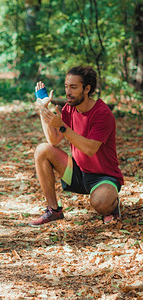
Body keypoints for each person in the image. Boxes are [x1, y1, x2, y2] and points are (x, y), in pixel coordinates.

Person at [30, 66, 124, 226]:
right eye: (66, 86)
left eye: (73, 87)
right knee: (42, 150)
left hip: (104, 177)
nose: (68, 92)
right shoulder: (69, 108)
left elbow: (90, 149)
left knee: (101, 204)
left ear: (87, 89)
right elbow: (53, 140)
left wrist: (63, 127)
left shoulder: (102, 113)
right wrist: (43, 109)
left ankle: (112, 205)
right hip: (79, 173)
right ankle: (54, 210)